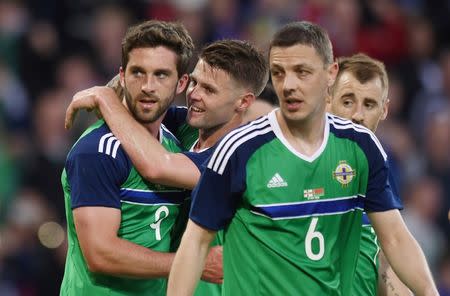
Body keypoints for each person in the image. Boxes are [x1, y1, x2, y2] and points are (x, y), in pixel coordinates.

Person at [167, 21, 438, 296]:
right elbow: (195, 244)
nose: (289, 85)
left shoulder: (361, 147)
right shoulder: (240, 149)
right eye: (279, 73)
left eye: (302, 72)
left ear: (331, 73)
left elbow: (394, 239)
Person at [64, 39, 269, 296]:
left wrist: (105, 98)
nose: (194, 94)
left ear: (243, 102)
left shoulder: (240, 156)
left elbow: (159, 166)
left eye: (209, 90)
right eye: (194, 82)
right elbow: (145, 108)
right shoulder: (188, 129)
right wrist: (119, 87)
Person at [327, 53, 412, 295]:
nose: (357, 116)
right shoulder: (292, 165)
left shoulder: (378, 170)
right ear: (327, 100)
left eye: (369, 104)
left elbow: (386, 258)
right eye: (347, 102)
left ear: (384, 110)